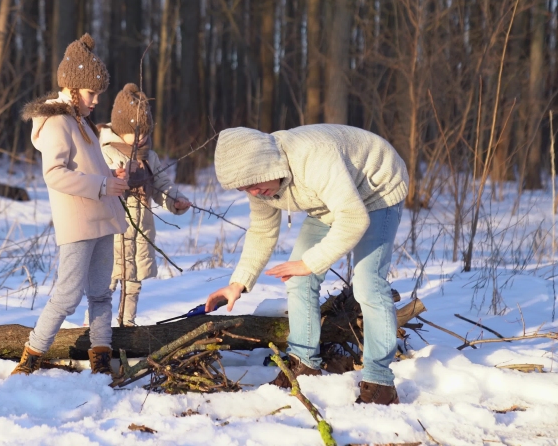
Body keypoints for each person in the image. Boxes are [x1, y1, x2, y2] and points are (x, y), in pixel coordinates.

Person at [204, 124, 408, 405]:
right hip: (329, 202)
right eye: (244, 188)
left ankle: (380, 382)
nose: (253, 192)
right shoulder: (261, 185)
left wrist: (310, 262)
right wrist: (238, 282)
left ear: (267, 166)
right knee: (297, 277)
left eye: (254, 183)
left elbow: (353, 219)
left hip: (378, 188)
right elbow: (262, 231)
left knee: (368, 283)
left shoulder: (313, 158)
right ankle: (304, 366)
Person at [11, 33, 128, 376]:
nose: (95, 101)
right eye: (92, 94)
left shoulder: (85, 124)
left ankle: (101, 358)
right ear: (74, 89)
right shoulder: (58, 122)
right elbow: (55, 175)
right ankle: (30, 357)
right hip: (78, 224)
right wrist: (104, 184)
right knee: (67, 295)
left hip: (102, 220)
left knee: (101, 294)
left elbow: (89, 168)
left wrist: (113, 175)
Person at [90, 83, 192, 327]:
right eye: (137, 132)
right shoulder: (105, 153)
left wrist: (175, 201)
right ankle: (94, 328)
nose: (142, 138)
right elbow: (98, 186)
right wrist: (118, 178)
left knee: (133, 282)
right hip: (113, 233)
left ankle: (128, 325)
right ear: (121, 128)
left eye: (145, 132)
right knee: (105, 283)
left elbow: (161, 185)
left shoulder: (149, 157)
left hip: (140, 231)